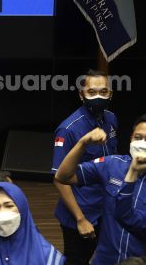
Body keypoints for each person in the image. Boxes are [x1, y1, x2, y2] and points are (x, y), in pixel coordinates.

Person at [55, 115, 146, 265]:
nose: (142, 144)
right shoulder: (112, 164)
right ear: (131, 138)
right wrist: (82, 143)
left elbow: (130, 218)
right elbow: (64, 176)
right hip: (105, 260)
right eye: (138, 137)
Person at [51, 69, 117, 265]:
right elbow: (59, 179)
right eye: (91, 91)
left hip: (105, 208)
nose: (98, 96)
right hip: (80, 213)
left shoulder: (111, 119)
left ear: (110, 94)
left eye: (103, 92)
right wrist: (80, 219)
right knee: (78, 260)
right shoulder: (69, 129)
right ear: (81, 95)